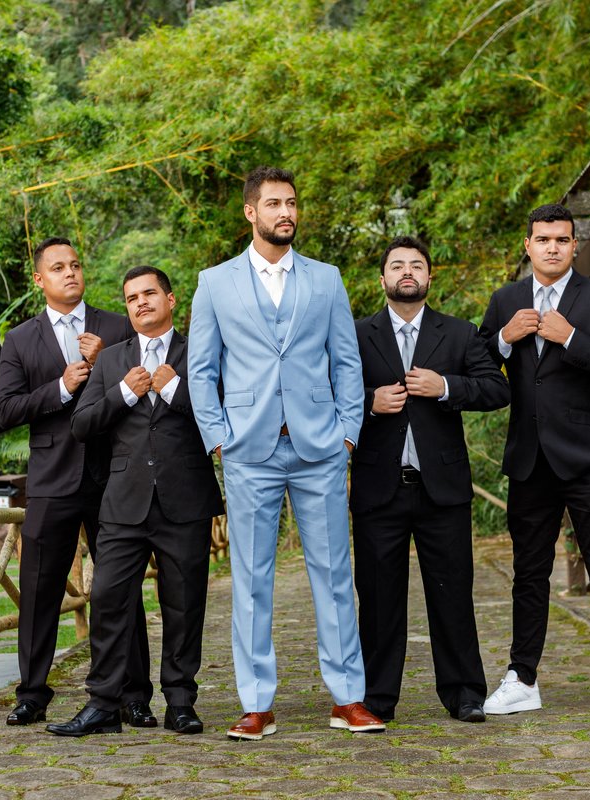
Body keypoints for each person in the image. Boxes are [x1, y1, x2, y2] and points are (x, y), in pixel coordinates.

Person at [188, 166, 385, 740]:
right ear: (251, 212)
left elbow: (346, 361)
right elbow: (201, 369)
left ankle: (348, 698)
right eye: (274, 204)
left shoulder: (326, 278)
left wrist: (347, 432)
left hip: (320, 445)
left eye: (292, 203)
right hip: (248, 448)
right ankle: (256, 703)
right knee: (251, 579)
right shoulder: (214, 283)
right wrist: (218, 437)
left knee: (334, 573)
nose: (286, 213)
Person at [478, 204, 590, 719]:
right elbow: (477, 365)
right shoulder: (505, 300)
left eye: (562, 239)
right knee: (528, 574)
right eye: (543, 239)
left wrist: (570, 337)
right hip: (530, 460)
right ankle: (522, 679)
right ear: (527, 246)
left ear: (575, 245)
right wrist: (504, 339)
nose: (552, 247)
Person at [47, 266, 224, 737]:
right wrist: (125, 392)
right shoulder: (111, 361)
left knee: (183, 604)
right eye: (131, 298)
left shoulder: (201, 351)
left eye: (149, 293)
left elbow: (223, 416)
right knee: (108, 600)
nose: (141, 302)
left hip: (185, 498)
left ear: (171, 299)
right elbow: (82, 426)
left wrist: (174, 388)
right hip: (124, 502)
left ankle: (180, 702)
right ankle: (104, 704)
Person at [0, 237, 152, 727]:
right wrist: (61, 388)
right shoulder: (20, 339)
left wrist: (108, 362)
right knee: (38, 591)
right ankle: (32, 693)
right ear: (39, 279)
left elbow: (148, 387)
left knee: (121, 590)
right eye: (58, 267)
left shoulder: (118, 326)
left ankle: (133, 694)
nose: (70, 273)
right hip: (51, 479)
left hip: (113, 477)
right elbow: (5, 410)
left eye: (76, 265)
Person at [351, 236, 509, 724]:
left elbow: (496, 388)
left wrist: (446, 387)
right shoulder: (355, 334)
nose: (407, 272)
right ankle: (377, 698)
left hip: (442, 488)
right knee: (378, 599)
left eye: (416, 265)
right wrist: (369, 402)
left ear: (429, 277)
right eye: (397, 265)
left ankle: (464, 693)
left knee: (453, 593)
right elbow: (325, 391)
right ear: (382, 278)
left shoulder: (459, 333)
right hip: (379, 488)